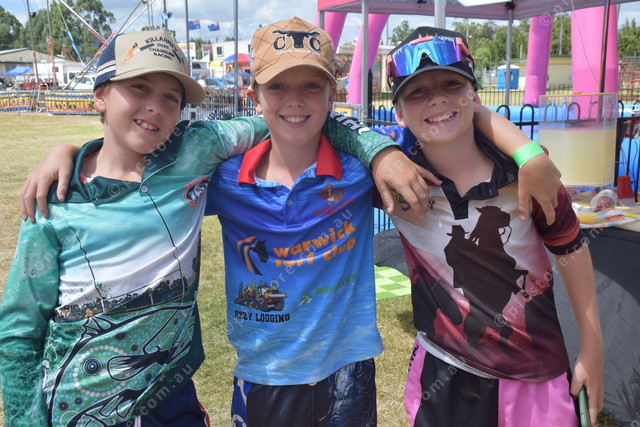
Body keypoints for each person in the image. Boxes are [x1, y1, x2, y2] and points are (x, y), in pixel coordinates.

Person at [16, 20, 566, 426]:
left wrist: (526, 154)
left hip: (348, 371)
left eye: (312, 86)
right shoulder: (218, 178)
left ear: (333, 94)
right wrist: (70, 151)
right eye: (278, 86)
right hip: (262, 377)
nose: (296, 101)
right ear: (254, 96)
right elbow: (135, 163)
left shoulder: (362, 171)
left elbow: (449, 119)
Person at [378, 26, 604, 426]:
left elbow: (570, 249)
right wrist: (380, 155)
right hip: (444, 373)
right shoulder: (391, 180)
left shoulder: (528, 175)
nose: (437, 98)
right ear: (398, 113)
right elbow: (328, 128)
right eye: (417, 91)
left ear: (475, 95)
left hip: (536, 373)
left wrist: (592, 348)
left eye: (452, 83)